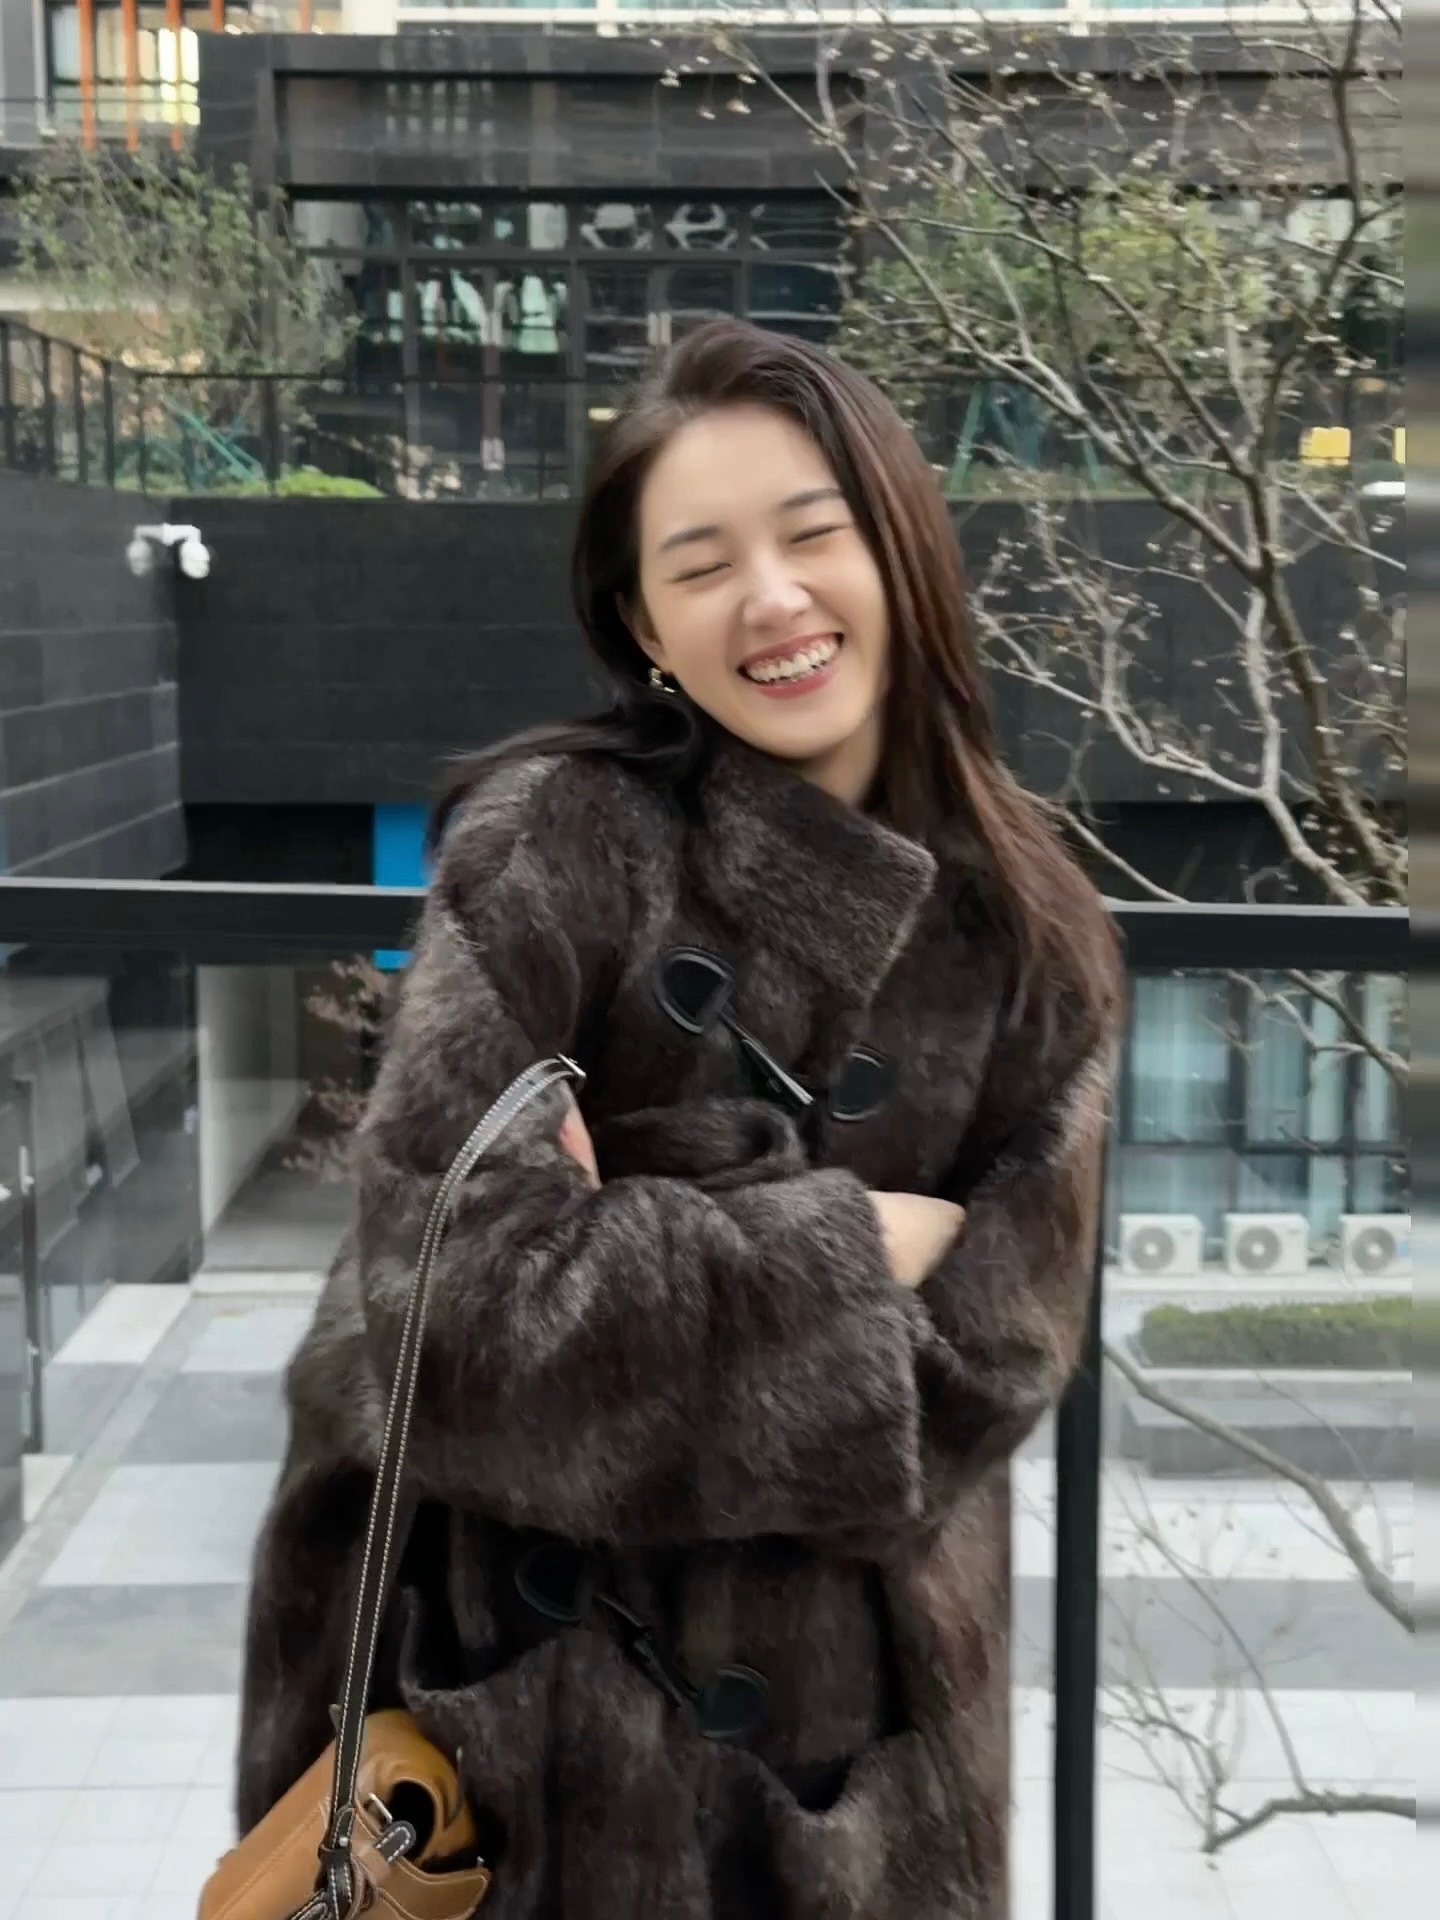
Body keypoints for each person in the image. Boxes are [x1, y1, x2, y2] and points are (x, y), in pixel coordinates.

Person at [237, 318, 1123, 1919]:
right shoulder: (554, 848)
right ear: (646, 626)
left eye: (812, 533)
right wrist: (850, 1252)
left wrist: (621, 1239)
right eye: (701, 565)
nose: (769, 601)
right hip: (519, 1757)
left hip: (850, 1770)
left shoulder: (1030, 934)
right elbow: (451, 1328)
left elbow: (981, 1378)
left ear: (901, 550)